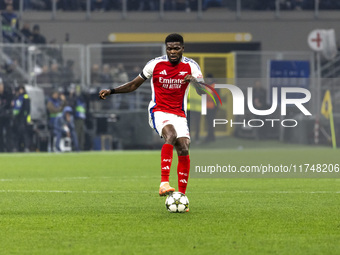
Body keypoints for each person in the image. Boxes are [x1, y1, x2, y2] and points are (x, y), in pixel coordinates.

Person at [99, 33, 203, 201]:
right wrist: (112, 91)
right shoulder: (155, 64)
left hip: (179, 113)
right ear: (166, 49)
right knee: (171, 135)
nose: (173, 52)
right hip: (158, 110)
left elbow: (202, 91)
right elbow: (134, 85)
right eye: (169, 48)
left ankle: (182, 196)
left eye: (176, 48)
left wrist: (194, 81)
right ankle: (164, 183)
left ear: (182, 48)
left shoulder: (192, 66)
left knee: (184, 147)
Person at [12, 85, 31, 152]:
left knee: (23, 133)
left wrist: (27, 119)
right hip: (17, 118)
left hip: (23, 118)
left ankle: (25, 147)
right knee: (17, 133)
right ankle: (16, 147)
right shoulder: (16, 97)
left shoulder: (25, 97)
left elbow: (27, 109)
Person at [0, 78, 13, 152]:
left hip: (7, 116)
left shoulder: (8, 93)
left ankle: (9, 148)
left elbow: (10, 104)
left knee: (9, 132)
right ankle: (1, 149)